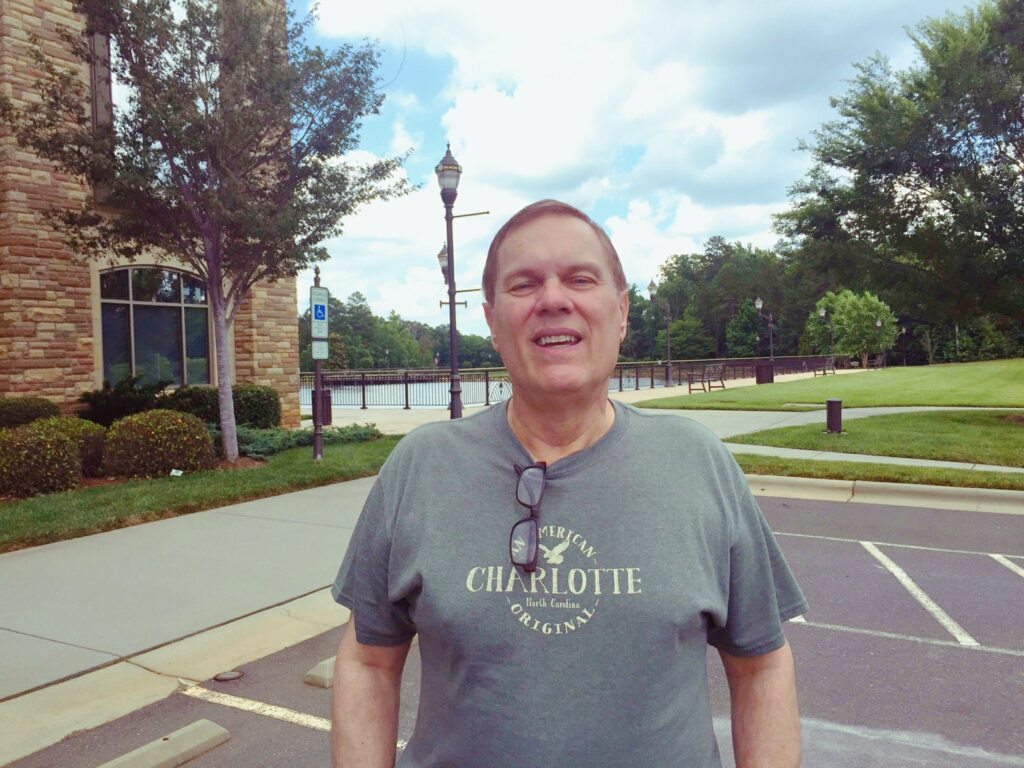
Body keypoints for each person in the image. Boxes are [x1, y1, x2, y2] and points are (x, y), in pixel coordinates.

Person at [331, 199, 807, 768]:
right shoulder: (422, 465)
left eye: (580, 279)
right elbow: (368, 663)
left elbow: (761, 665)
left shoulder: (697, 461)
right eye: (524, 284)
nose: (553, 300)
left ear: (622, 311)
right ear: (491, 319)